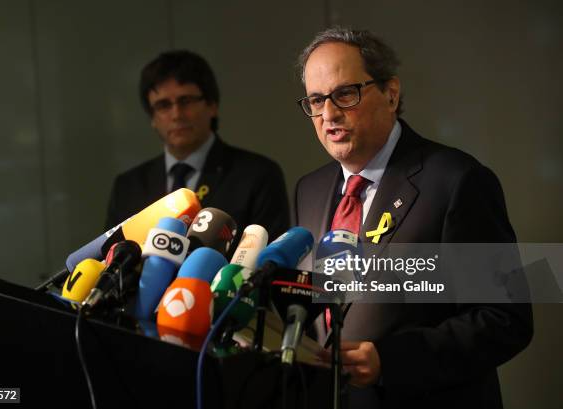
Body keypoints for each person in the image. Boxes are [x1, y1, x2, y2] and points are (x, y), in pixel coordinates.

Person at [294, 28, 532, 408]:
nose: (329, 114)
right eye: (316, 100)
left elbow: (505, 319)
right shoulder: (310, 189)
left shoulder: (456, 180)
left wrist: (392, 360)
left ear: (391, 93)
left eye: (345, 94)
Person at [106, 50, 290, 245]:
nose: (177, 114)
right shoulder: (128, 187)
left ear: (212, 105)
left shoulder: (257, 175)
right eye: (163, 105)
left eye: (186, 101)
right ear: (152, 118)